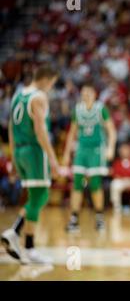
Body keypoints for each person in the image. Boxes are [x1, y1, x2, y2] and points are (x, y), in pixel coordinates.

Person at [1, 65, 60, 264]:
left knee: (34, 196)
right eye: (52, 83)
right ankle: (25, 242)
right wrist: (52, 158)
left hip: (19, 150)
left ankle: (19, 238)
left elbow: (10, 127)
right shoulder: (39, 97)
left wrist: (13, 157)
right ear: (46, 78)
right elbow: (40, 131)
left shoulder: (18, 95)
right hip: (35, 151)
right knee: (41, 195)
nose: (51, 87)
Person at [62, 82, 117, 232]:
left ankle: (99, 218)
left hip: (97, 150)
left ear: (95, 94)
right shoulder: (77, 110)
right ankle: (74, 219)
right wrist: (67, 153)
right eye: (83, 93)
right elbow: (72, 133)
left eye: (89, 93)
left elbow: (111, 130)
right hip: (81, 150)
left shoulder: (101, 109)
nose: (86, 95)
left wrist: (110, 148)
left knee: (95, 184)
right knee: (76, 185)